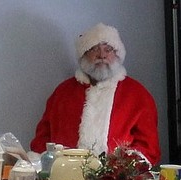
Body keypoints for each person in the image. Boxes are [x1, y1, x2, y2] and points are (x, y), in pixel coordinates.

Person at [31, 23, 161, 165]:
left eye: (108, 49)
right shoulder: (62, 93)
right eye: (94, 49)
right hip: (64, 178)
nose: (102, 55)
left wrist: (121, 170)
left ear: (117, 54)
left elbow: (149, 147)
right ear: (84, 54)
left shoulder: (138, 95)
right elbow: (42, 140)